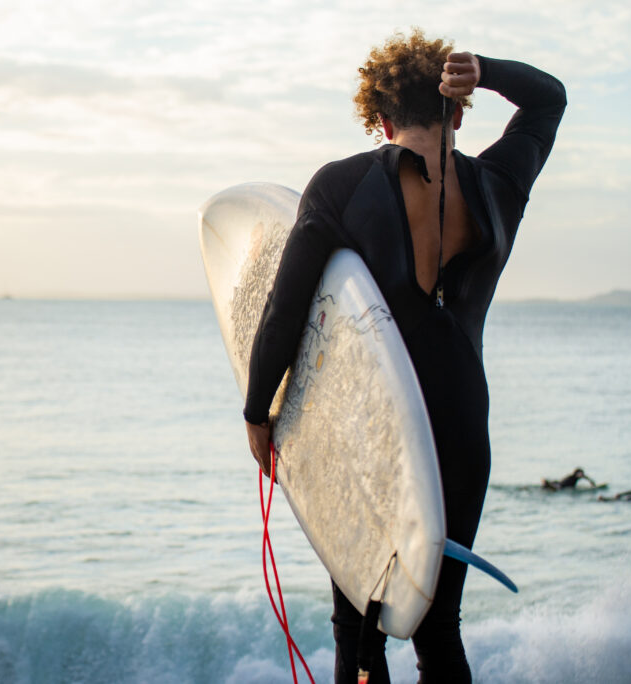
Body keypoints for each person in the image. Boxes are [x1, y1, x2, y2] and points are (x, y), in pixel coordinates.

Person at [242, 29, 566, 683]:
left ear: (381, 117)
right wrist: (489, 70)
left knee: (358, 629)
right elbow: (549, 99)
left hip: (374, 429)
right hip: (463, 427)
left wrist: (258, 410)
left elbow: (285, 309)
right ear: (459, 108)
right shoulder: (501, 182)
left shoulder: (342, 186)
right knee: (437, 626)